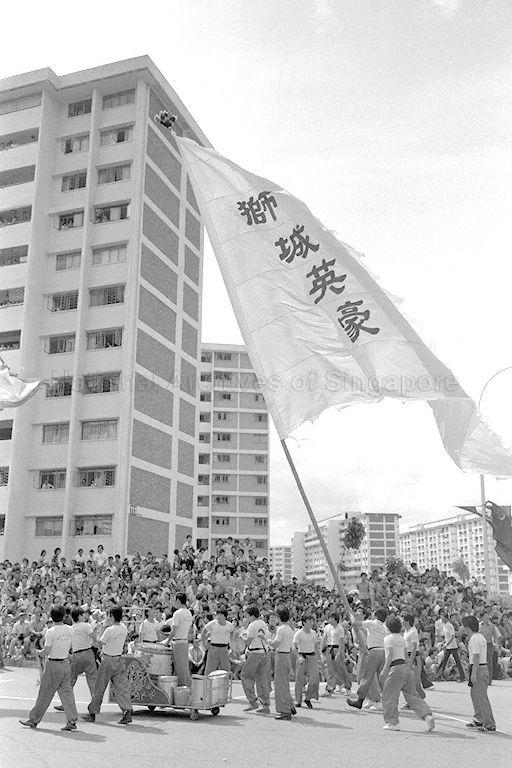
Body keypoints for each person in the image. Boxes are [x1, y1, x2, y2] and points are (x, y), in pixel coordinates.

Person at [19, 605, 78, 731]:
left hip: (53, 664)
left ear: (52, 617)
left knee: (44, 694)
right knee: (67, 693)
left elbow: (47, 651)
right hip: (65, 663)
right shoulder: (70, 629)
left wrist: (38, 652)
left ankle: (34, 720)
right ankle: (72, 720)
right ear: (63, 616)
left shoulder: (50, 631)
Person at [380, 615, 435, 732]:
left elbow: (389, 655)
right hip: (405, 666)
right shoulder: (401, 638)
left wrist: (385, 670)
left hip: (395, 667)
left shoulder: (388, 638)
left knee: (389, 695)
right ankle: (427, 716)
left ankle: (392, 722)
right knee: (412, 695)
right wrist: (409, 666)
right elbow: (405, 654)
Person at [82, 605, 132, 725]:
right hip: (118, 659)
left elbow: (99, 643)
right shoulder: (124, 628)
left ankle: (93, 712)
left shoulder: (110, 630)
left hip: (108, 659)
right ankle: (127, 710)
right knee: (120, 687)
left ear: (112, 616)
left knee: (99, 686)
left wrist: (100, 629)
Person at [54, 607, 97, 712]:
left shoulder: (71, 628)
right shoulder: (87, 626)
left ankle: (66, 704)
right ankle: (95, 705)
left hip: (76, 655)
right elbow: (95, 638)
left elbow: (67, 644)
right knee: (92, 680)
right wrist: (96, 628)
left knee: (70, 681)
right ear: (80, 616)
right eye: (83, 615)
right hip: (88, 653)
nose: (85, 616)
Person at [348, 608, 389, 711]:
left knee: (367, 676)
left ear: (376, 615)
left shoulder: (371, 623)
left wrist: (351, 616)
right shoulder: (385, 627)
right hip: (383, 652)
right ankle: (376, 700)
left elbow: (356, 624)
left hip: (373, 651)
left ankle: (368, 700)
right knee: (378, 677)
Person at [462, 615, 496, 732]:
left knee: (481, 697)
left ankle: (489, 723)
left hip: (479, 668)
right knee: (475, 694)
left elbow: (476, 656)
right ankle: (479, 718)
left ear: (467, 628)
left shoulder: (475, 639)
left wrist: (474, 672)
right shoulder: (479, 636)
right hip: (480, 667)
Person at [241, 604, 270, 713]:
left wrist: (241, 636)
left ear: (250, 615)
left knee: (246, 676)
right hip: (263, 652)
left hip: (254, 653)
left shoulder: (252, 625)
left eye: (247, 616)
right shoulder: (263, 623)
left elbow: (248, 642)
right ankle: (265, 705)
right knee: (261, 679)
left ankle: (252, 701)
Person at [269, 607, 296, 721]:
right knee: (284, 683)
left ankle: (285, 710)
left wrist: (266, 640)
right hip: (287, 655)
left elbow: (275, 644)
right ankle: (289, 704)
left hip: (280, 655)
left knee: (280, 685)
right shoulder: (289, 629)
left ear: (279, 618)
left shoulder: (281, 629)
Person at [163, 593, 193, 686]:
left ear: (178, 601)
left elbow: (174, 630)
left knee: (180, 669)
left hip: (178, 643)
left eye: (175, 600)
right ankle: (181, 689)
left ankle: (185, 689)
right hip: (184, 641)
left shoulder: (177, 613)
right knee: (183, 667)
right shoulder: (189, 613)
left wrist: (167, 641)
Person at [321, 611, 352, 696]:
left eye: (332, 618)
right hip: (329, 648)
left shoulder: (339, 628)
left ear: (336, 619)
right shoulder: (327, 627)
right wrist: (322, 649)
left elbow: (341, 641)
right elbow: (324, 638)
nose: (330, 620)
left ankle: (347, 687)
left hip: (337, 648)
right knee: (331, 670)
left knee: (341, 669)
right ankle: (330, 688)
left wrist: (339, 653)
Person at [293, 614, 320, 709]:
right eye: (309, 621)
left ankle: (308, 697)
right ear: (304, 622)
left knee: (314, 679)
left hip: (312, 656)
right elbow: (294, 646)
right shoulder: (299, 633)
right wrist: (298, 656)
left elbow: (316, 646)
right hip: (302, 656)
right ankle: (297, 700)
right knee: (299, 680)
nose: (311, 623)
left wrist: (319, 658)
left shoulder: (313, 632)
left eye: (312, 621)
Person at [201, 608, 233, 675]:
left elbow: (232, 634)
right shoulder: (212, 623)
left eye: (221, 615)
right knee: (210, 669)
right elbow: (203, 632)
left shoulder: (229, 625)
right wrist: (205, 644)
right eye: (218, 614)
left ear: (225, 616)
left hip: (224, 648)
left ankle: (226, 684)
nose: (219, 616)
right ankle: (207, 684)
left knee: (226, 668)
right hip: (213, 647)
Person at [435, 612, 465, 682]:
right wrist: (444, 642)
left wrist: (446, 644)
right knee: (443, 661)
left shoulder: (450, 625)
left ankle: (462, 676)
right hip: (448, 646)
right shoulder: (444, 625)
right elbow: (446, 636)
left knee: (457, 661)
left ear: (446, 618)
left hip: (452, 646)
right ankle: (438, 675)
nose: (441, 619)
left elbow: (452, 637)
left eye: (443, 618)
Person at [403, 614, 425, 702]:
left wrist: (411, 660)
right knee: (408, 680)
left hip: (414, 656)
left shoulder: (413, 631)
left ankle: (419, 698)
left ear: (407, 621)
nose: (402, 621)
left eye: (403, 620)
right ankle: (415, 699)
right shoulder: (405, 631)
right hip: (407, 655)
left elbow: (415, 647)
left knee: (415, 681)